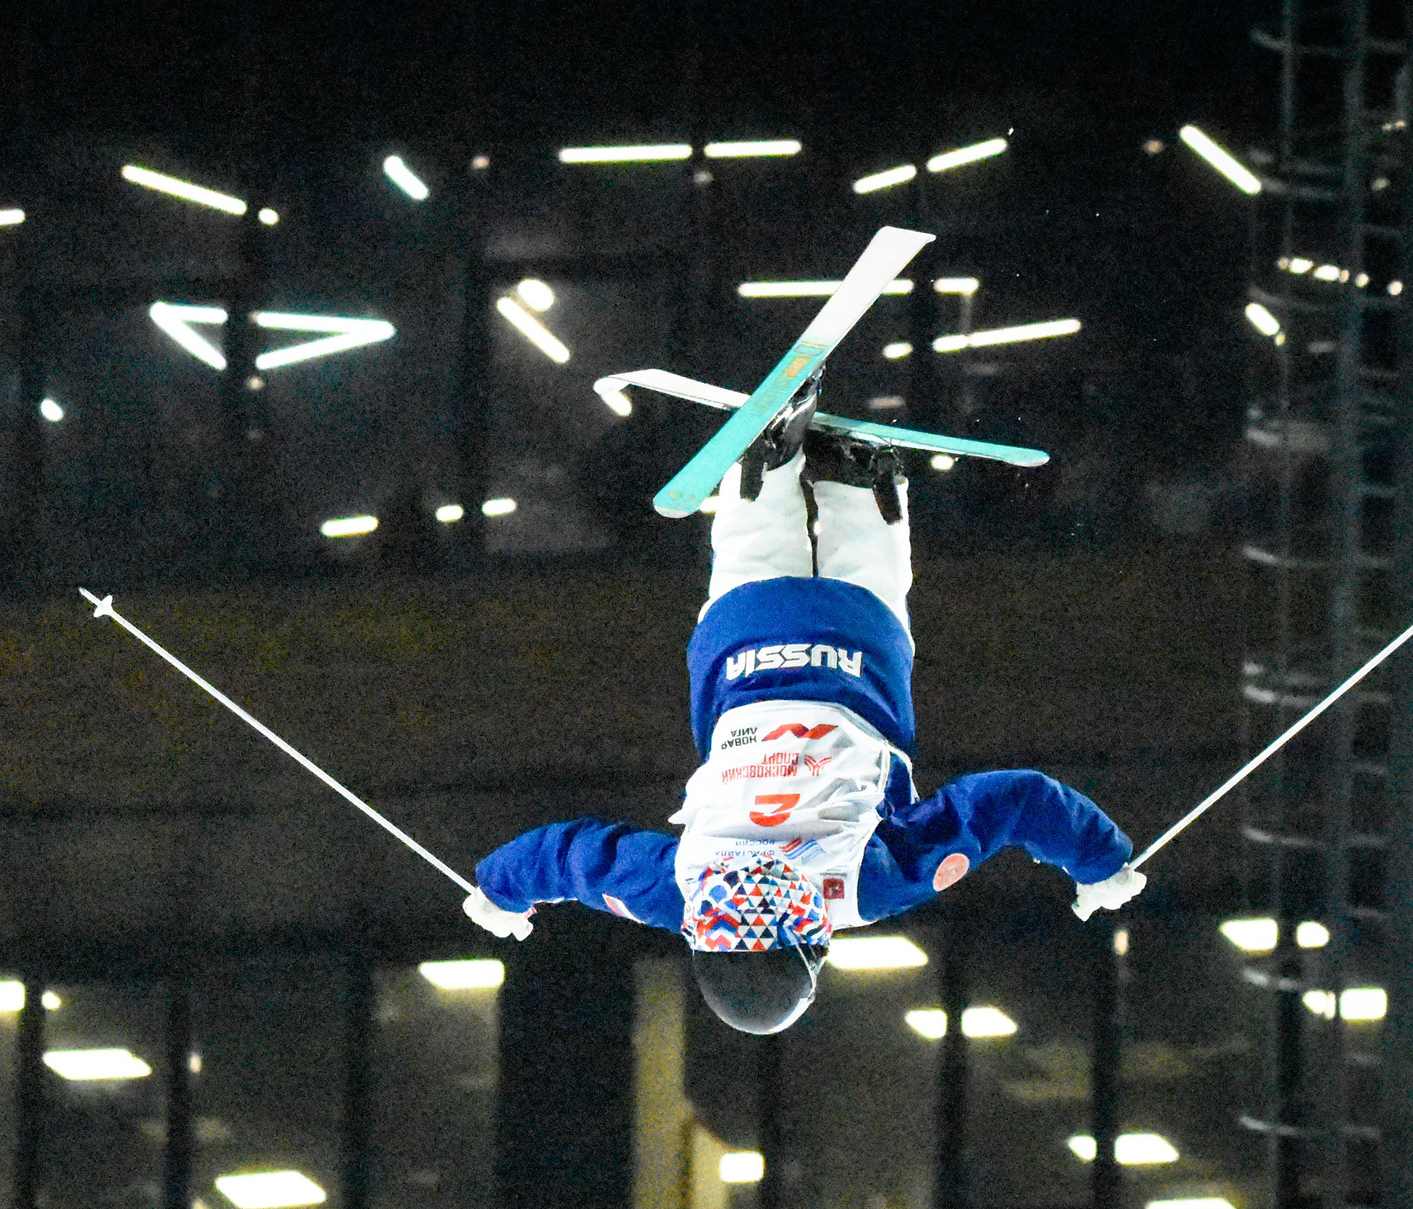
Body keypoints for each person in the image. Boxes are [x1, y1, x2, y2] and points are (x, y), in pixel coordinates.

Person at [463, 390, 1147, 1034]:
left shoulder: (865, 886)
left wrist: (1099, 862)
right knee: (753, 554)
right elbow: (579, 859)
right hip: (743, 647)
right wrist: (501, 888)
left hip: (858, 654)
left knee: (869, 572)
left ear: (812, 955)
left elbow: (1004, 803)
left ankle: (862, 481)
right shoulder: (678, 893)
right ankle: (761, 476)